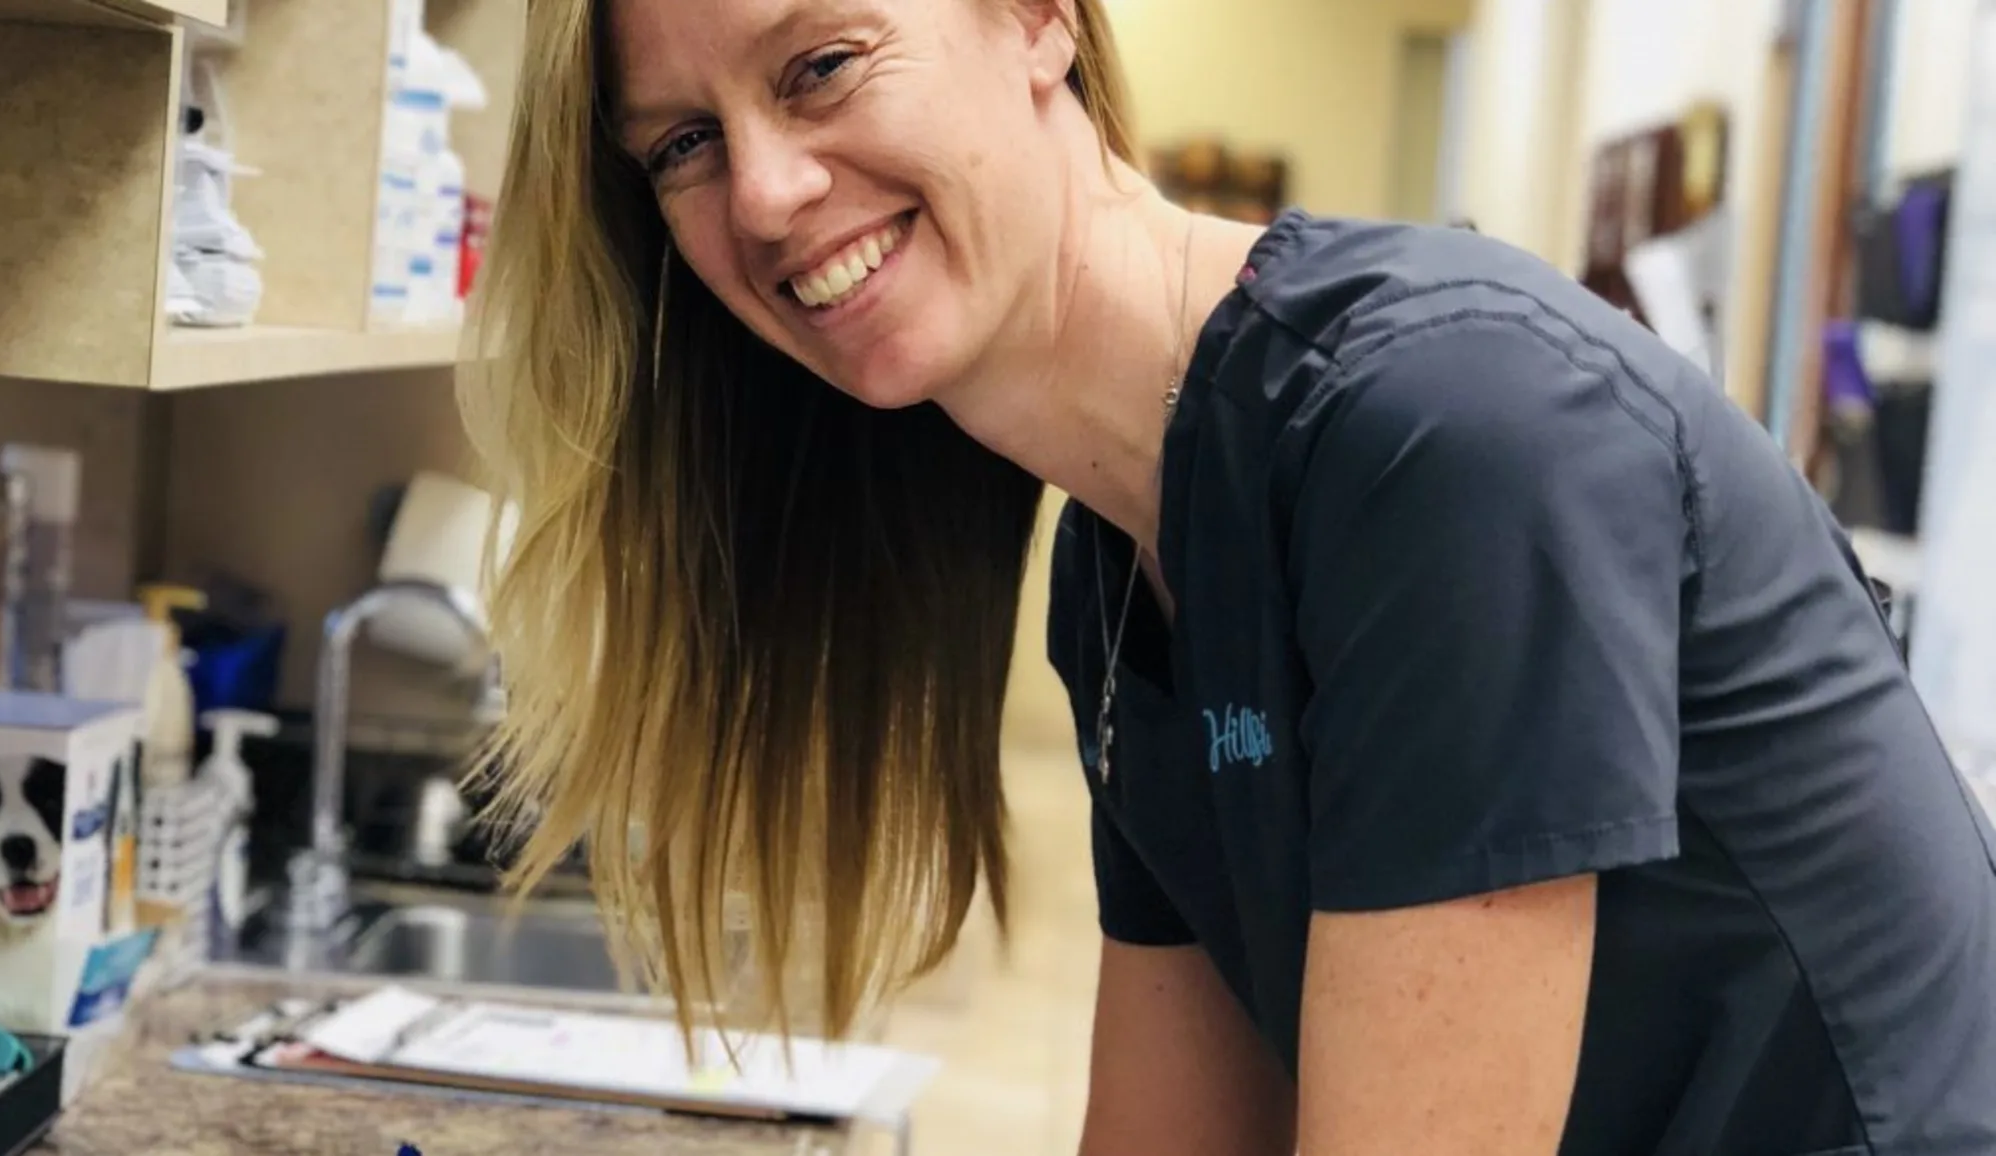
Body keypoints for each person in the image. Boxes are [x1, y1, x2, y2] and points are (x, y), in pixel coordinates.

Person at [458, 0, 1996, 1151]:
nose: (766, 192)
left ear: (1037, 22)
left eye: (821, 66)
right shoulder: (1127, 562)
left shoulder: (1449, 434)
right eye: (682, 144)